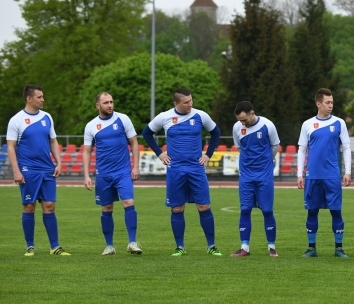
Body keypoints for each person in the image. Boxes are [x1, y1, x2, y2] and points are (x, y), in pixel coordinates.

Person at [143, 87, 222, 256]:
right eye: (186, 102)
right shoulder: (165, 117)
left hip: (196, 169)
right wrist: (160, 153)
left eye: (191, 101)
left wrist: (208, 154)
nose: (190, 104)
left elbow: (216, 132)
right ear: (176, 103)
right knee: (177, 208)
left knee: (204, 206)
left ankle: (211, 246)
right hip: (176, 169)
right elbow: (146, 133)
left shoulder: (201, 115)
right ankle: (180, 247)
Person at [6, 84, 70, 256]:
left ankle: (55, 247)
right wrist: (16, 171)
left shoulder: (47, 117)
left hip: (47, 169)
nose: (43, 100)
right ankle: (30, 246)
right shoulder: (16, 120)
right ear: (29, 98)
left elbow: (53, 141)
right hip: (28, 169)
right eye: (39, 97)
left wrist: (59, 162)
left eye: (43, 96)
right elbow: (11, 147)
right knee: (29, 206)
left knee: (49, 205)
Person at [83, 92, 142, 255]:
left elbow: (134, 142)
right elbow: (87, 151)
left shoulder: (123, 119)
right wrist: (86, 175)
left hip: (123, 172)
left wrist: (135, 166)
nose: (110, 105)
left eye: (111, 102)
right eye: (106, 102)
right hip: (103, 174)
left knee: (129, 202)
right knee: (106, 208)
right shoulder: (91, 126)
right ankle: (109, 246)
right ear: (98, 106)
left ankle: (132, 242)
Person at [297, 88, 352, 258]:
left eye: (332, 102)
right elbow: (302, 149)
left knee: (336, 211)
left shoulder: (339, 123)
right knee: (312, 211)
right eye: (327, 103)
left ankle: (339, 248)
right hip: (312, 176)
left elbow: (346, 147)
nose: (331, 106)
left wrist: (347, 171)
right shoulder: (307, 124)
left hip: (332, 176)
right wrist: (300, 173)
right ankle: (311, 248)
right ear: (318, 103)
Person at [230, 101, 281, 258]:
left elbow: (275, 146)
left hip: (264, 176)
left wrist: (265, 161)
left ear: (252, 113)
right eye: (240, 120)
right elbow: (239, 147)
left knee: (267, 211)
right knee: (245, 210)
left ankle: (271, 247)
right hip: (246, 176)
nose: (242, 123)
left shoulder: (268, 125)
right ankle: (244, 247)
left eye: (244, 120)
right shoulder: (237, 128)